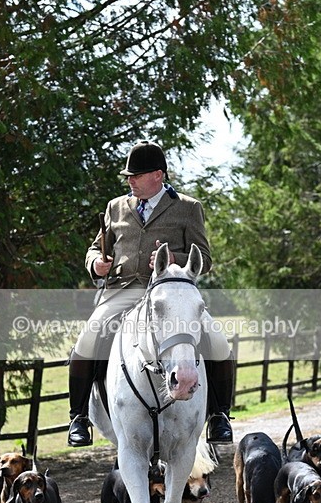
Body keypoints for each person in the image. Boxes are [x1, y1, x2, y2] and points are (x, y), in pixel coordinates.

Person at [67, 139, 235, 447]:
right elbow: (95, 247)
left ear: (157, 175)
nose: (129, 181)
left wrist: (176, 260)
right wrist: (96, 263)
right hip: (122, 293)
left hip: (170, 295)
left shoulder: (188, 208)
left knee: (218, 341)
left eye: (136, 175)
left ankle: (219, 416)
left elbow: (206, 260)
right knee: (86, 340)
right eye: (128, 176)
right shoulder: (115, 207)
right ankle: (78, 417)